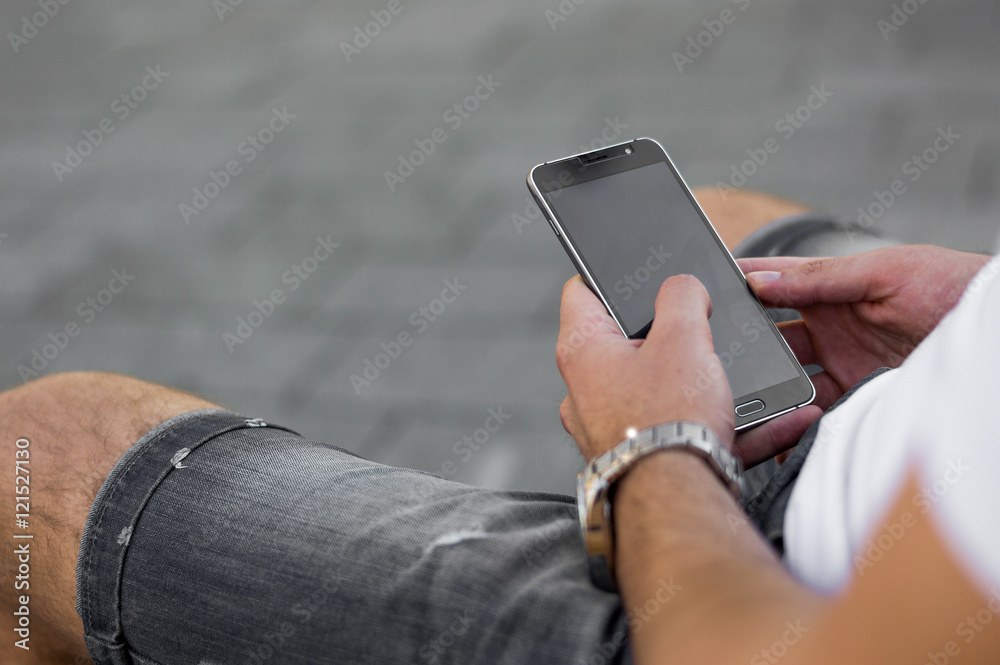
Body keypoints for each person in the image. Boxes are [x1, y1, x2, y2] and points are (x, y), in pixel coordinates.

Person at [2, 188, 998, 665]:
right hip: (919, 426)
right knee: (688, 219)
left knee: (35, 453)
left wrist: (653, 453)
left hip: (756, 615)